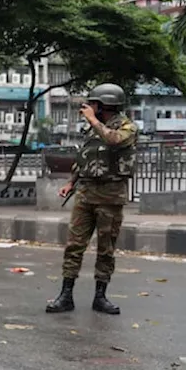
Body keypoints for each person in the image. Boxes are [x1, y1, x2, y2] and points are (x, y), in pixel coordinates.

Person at [46, 83, 138, 315]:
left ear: (105, 105)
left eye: (94, 103)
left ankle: (100, 296)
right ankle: (66, 295)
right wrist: (71, 182)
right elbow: (84, 158)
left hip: (110, 196)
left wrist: (93, 122)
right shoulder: (90, 130)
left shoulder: (127, 127)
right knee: (74, 246)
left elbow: (114, 140)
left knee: (106, 248)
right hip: (86, 194)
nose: (89, 107)